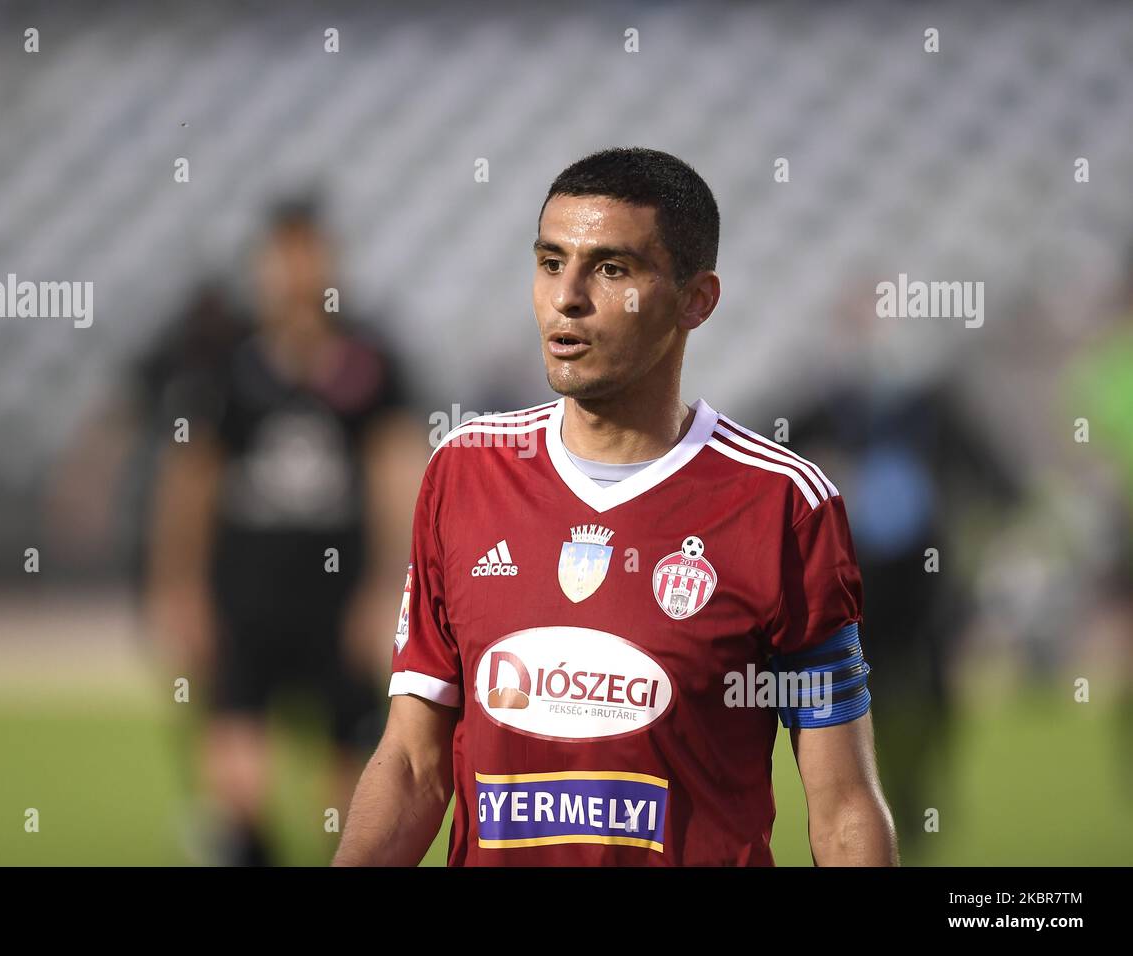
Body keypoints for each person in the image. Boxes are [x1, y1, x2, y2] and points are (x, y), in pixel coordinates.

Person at [333, 147, 898, 866]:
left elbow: (844, 804)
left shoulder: (783, 505)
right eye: (549, 262)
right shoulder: (463, 473)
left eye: (610, 269)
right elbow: (413, 766)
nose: (566, 296)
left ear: (697, 299)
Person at [147, 196, 425, 865]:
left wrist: (394, 589)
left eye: (310, 258)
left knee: (351, 803)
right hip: (245, 601)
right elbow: (190, 482)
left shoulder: (371, 365)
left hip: (340, 603)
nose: (298, 276)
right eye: (284, 259)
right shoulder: (225, 365)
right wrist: (177, 589)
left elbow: (399, 477)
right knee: (238, 793)